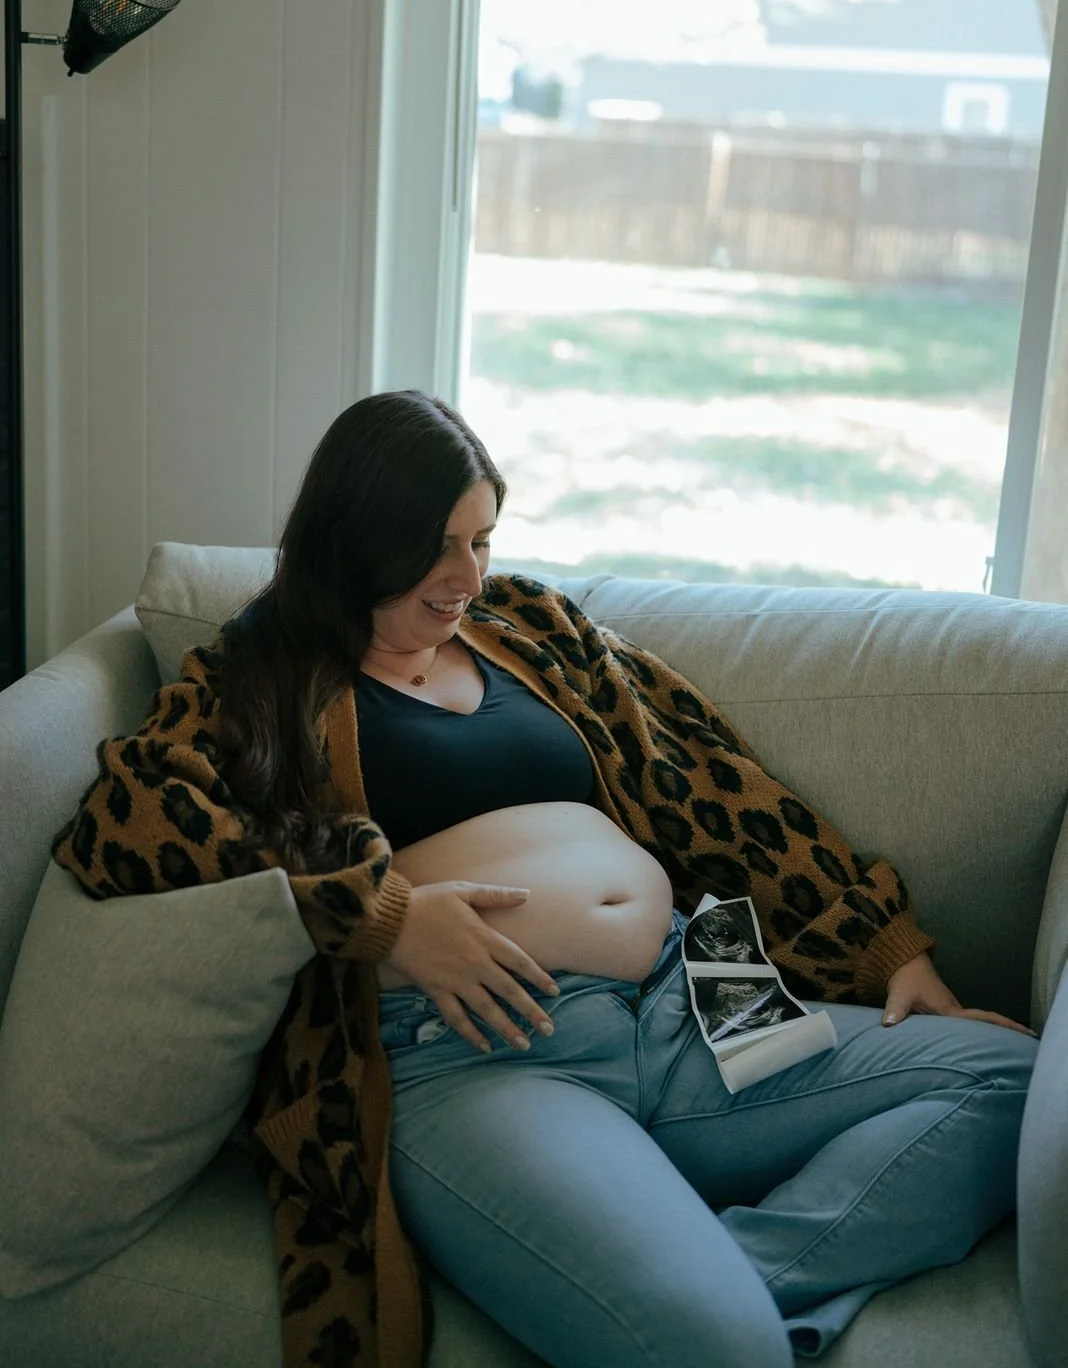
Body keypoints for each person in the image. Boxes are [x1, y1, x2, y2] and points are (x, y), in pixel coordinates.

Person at [52, 389, 1038, 1368]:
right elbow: (128, 827)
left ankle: (733, 1273)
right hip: (482, 1052)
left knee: (1015, 1081)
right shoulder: (259, 677)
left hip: (692, 991)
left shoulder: (532, 628)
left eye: (482, 539)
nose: (466, 577)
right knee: (725, 1350)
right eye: (437, 546)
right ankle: (705, 1311)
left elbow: (707, 781)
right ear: (357, 539)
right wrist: (382, 917)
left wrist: (885, 947)